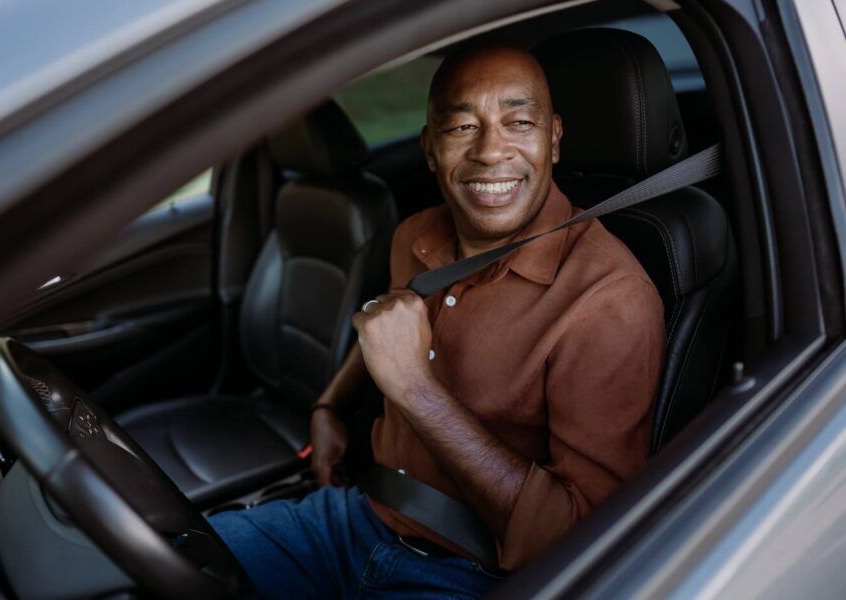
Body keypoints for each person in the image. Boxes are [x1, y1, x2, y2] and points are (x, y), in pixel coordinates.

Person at [209, 43, 665, 598]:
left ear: (555, 139)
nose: (491, 151)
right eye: (461, 128)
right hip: (351, 520)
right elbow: (387, 326)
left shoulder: (608, 301)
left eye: (519, 122)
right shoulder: (417, 235)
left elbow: (586, 538)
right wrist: (330, 404)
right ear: (430, 149)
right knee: (171, 558)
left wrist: (416, 392)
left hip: (470, 573)